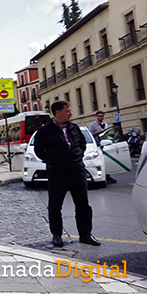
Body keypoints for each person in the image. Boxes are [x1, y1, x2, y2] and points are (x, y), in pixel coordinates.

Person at [34, 100, 101, 247]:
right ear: (58, 113)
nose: (71, 113)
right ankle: (57, 235)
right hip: (57, 171)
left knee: (83, 204)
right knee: (55, 205)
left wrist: (76, 157)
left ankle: (85, 234)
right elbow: (39, 150)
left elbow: (82, 145)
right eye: (68, 111)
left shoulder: (74, 128)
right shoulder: (45, 130)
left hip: (77, 170)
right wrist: (51, 161)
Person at [87, 111, 117, 183]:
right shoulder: (92, 125)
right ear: (96, 116)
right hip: (97, 145)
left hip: (105, 144)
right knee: (100, 161)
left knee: (107, 160)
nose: (101, 117)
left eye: (102, 116)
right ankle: (103, 176)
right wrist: (98, 132)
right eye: (99, 116)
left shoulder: (105, 124)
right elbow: (90, 135)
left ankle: (108, 176)